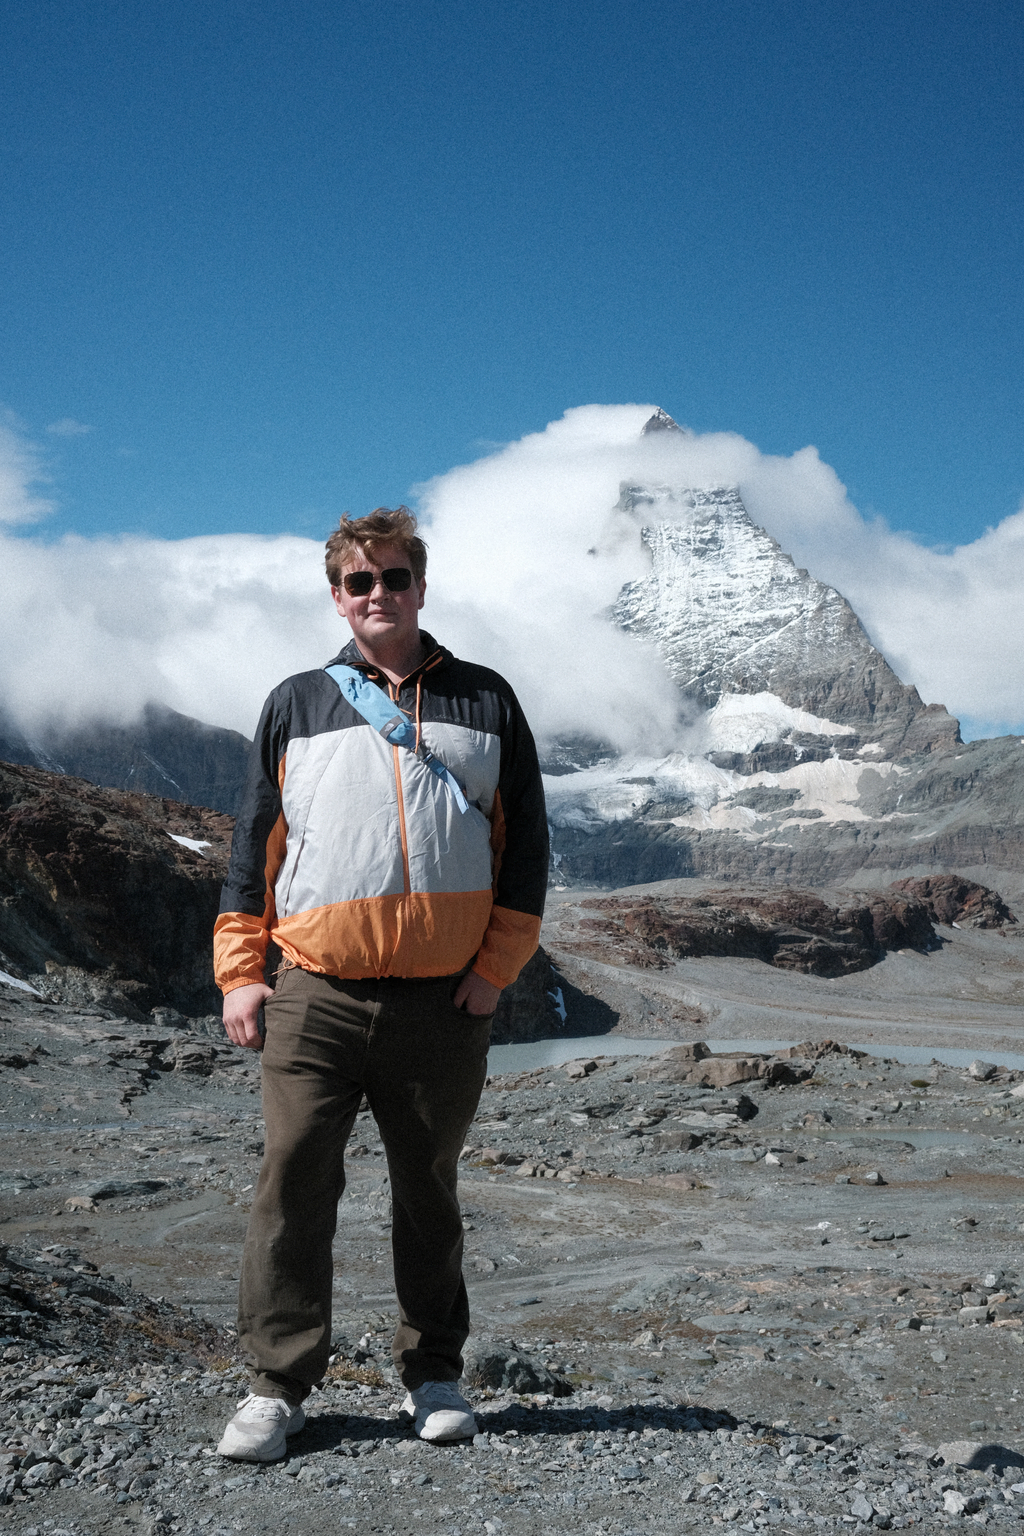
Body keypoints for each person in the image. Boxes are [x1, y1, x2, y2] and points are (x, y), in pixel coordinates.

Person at [212, 507, 548, 1462]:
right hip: (314, 992)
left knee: (428, 1191)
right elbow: (252, 854)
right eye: (361, 583)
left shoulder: (487, 701)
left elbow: (524, 851)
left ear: (422, 587)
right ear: (338, 596)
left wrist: (494, 973)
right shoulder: (295, 703)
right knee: (292, 1184)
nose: (379, 597)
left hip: (443, 1001)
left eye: (395, 578)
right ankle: (278, 1385)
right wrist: (243, 976)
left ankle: (432, 1373)